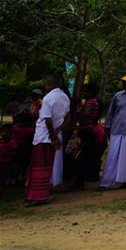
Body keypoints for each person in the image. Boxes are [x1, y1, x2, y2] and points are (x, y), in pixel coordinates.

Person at [25, 75, 69, 206]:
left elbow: (47, 119)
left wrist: (53, 135)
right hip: (52, 137)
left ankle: (36, 196)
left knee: (38, 167)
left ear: (49, 84)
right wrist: (58, 131)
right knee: (46, 167)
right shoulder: (65, 97)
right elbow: (68, 117)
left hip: (43, 137)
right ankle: (41, 195)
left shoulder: (47, 98)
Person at [68, 83, 102, 190]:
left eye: (85, 91)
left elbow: (86, 113)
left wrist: (78, 111)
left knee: (81, 156)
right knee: (85, 156)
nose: (84, 93)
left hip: (86, 131)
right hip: (87, 130)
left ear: (91, 92)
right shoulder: (92, 101)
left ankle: (80, 180)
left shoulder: (91, 102)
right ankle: (84, 178)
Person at [0, 124, 15, 191]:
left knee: (2, 177)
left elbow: (14, 153)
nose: (5, 133)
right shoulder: (1, 141)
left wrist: (7, 154)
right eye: (3, 131)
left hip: (6, 162)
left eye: (7, 131)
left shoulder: (12, 142)